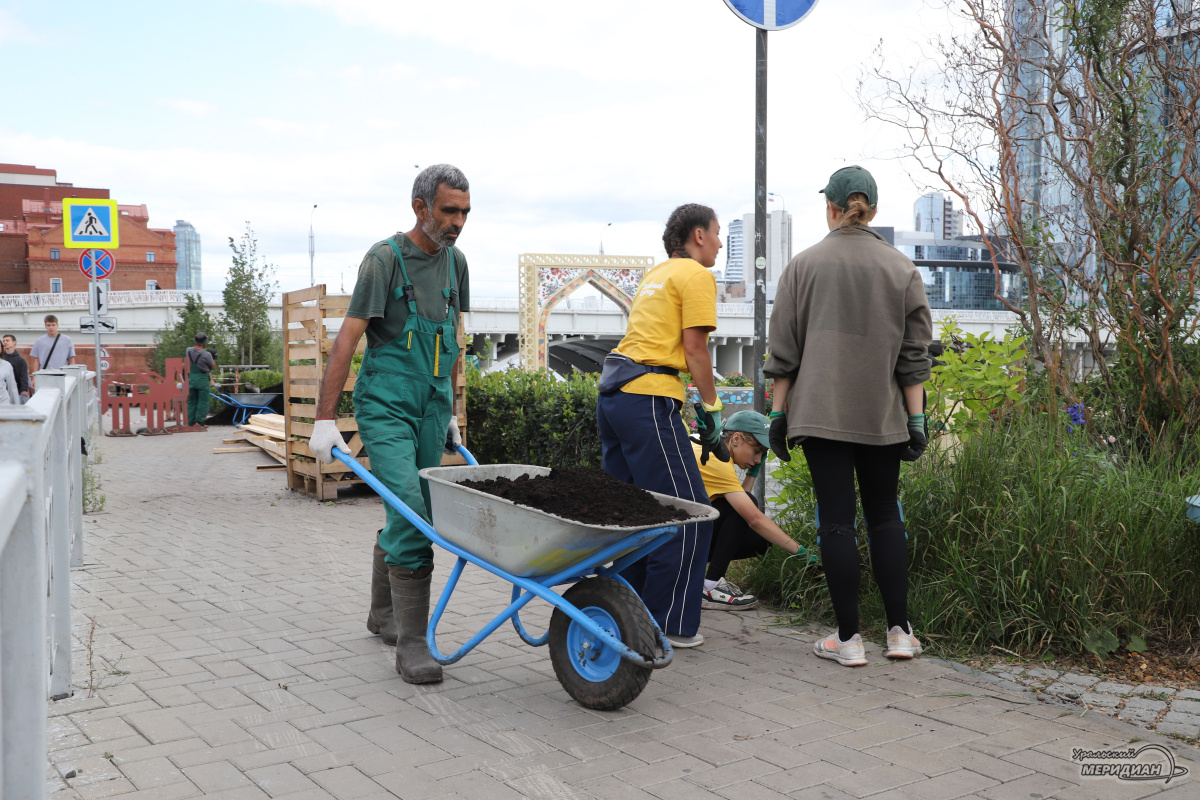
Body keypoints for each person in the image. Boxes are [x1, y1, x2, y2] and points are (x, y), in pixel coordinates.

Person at [308, 164, 471, 684]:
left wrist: (452, 413)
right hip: (388, 407)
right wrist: (325, 419)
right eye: (449, 211)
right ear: (420, 207)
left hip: (431, 407)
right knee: (413, 511)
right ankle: (414, 643)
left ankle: (382, 614)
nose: (458, 223)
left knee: (410, 507)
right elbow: (347, 340)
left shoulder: (457, 264)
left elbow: (455, 341)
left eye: (465, 212)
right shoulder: (385, 261)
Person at [764, 165, 932, 667]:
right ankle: (900, 634)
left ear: (832, 208)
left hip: (820, 416)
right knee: (885, 516)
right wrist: (916, 421)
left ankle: (849, 640)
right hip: (884, 417)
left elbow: (783, 354)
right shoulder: (902, 269)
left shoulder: (803, 265)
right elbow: (914, 358)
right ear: (872, 210)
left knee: (836, 523)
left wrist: (777, 415)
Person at [596, 203, 727, 649]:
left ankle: (622, 613)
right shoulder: (697, 275)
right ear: (697, 236)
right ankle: (665, 623)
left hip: (615, 392)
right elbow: (695, 349)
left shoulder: (656, 274)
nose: (721, 242)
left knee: (633, 512)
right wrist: (712, 409)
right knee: (689, 514)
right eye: (717, 233)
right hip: (648, 397)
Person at [691, 411, 804, 611]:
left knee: (758, 539)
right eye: (757, 451)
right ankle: (710, 587)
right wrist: (802, 553)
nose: (759, 459)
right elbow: (753, 518)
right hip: (677, 536)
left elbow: (738, 507)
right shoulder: (717, 462)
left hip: (674, 528)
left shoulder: (706, 443)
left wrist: (752, 472)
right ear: (736, 439)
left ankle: (698, 579)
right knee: (758, 532)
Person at [29, 315, 77, 380]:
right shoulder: (39, 341)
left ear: (57, 325)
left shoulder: (67, 340)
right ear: (45, 326)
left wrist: (72, 376)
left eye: (53, 325)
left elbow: (71, 359)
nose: (51, 328)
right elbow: (36, 360)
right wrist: (34, 378)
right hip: (44, 375)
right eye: (48, 325)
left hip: (62, 375)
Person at [186, 333, 216, 427]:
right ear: (205, 342)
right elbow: (213, 366)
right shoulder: (207, 354)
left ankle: (190, 423)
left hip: (191, 378)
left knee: (191, 401)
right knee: (203, 401)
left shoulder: (188, 350)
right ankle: (199, 422)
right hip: (202, 379)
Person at [1, 334, 31, 402]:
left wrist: (24, 389)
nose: (5, 342)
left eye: (7, 340)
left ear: (14, 342)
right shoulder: (2, 358)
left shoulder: (20, 360)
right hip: (3, 390)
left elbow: (23, 375)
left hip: (17, 390)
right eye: (4, 341)